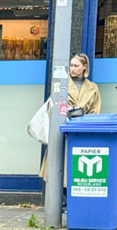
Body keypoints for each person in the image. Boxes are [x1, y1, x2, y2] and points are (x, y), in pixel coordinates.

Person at [40, 53, 101, 181]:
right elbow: (53, 107)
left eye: (76, 66)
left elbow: (95, 111)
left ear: (84, 67)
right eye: (71, 65)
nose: (72, 69)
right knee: (59, 172)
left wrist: (83, 117)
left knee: (78, 171)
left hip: (82, 132)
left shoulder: (93, 87)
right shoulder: (60, 84)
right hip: (63, 131)